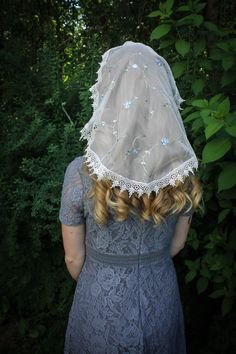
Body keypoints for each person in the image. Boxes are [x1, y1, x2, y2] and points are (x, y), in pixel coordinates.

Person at [59, 41, 203, 354]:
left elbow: (73, 258)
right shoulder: (180, 174)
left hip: (99, 303)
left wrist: (104, 279)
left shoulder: (80, 172)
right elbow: (177, 245)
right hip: (159, 298)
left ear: (107, 98)